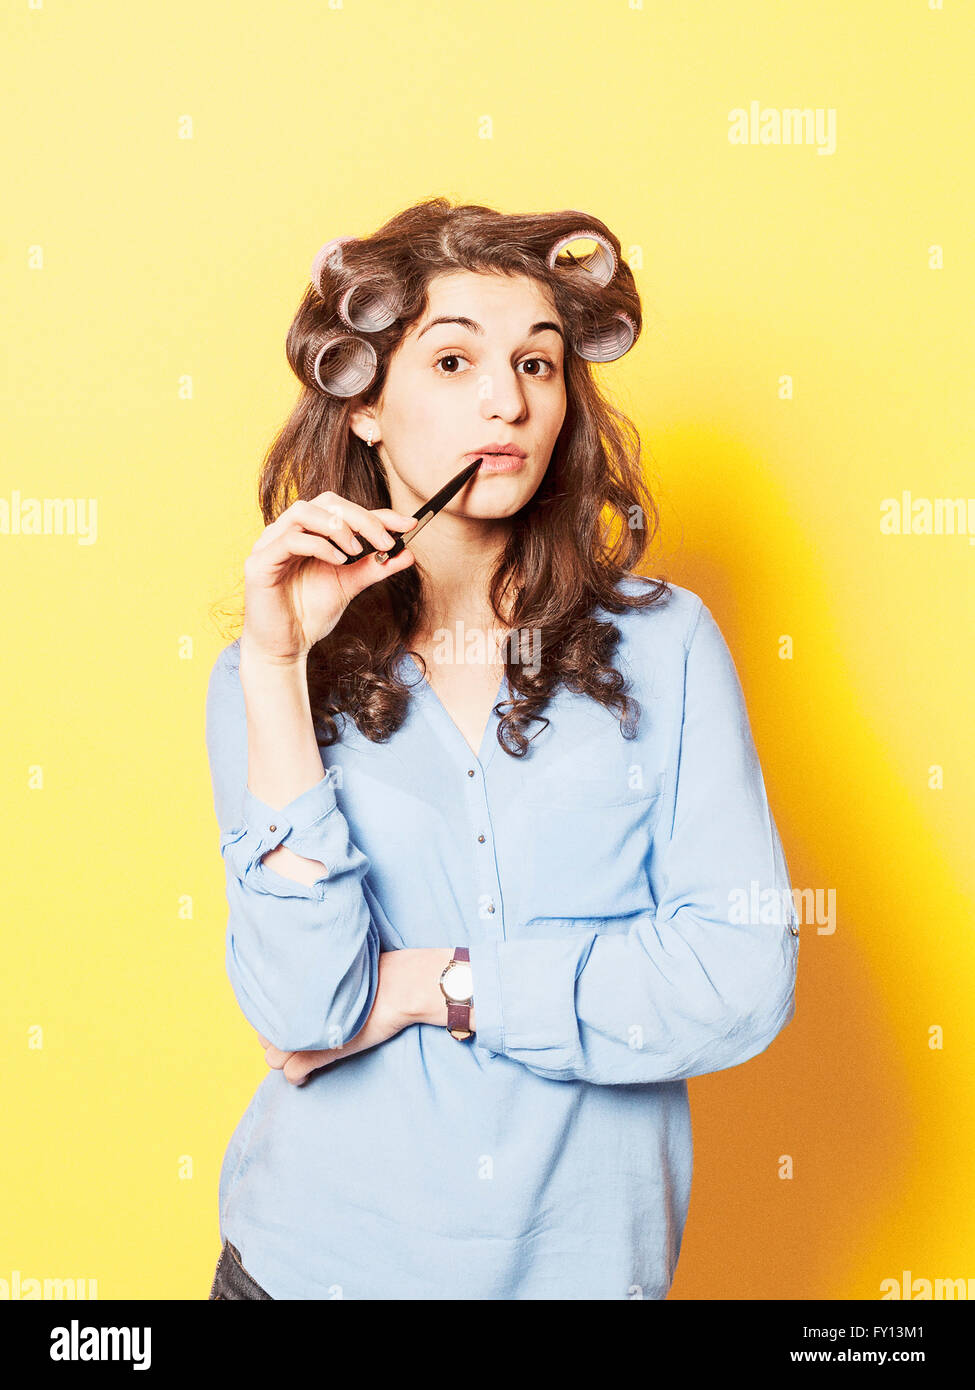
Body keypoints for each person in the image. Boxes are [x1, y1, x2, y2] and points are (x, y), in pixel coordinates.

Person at [204, 198, 800, 1300]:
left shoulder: (666, 645)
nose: (506, 399)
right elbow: (301, 1010)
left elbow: (742, 974)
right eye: (452, 360)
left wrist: (441, 984)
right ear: (367, 407)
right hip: (304, 1269)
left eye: (538, 363)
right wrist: (277, 667)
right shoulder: (272, 670)